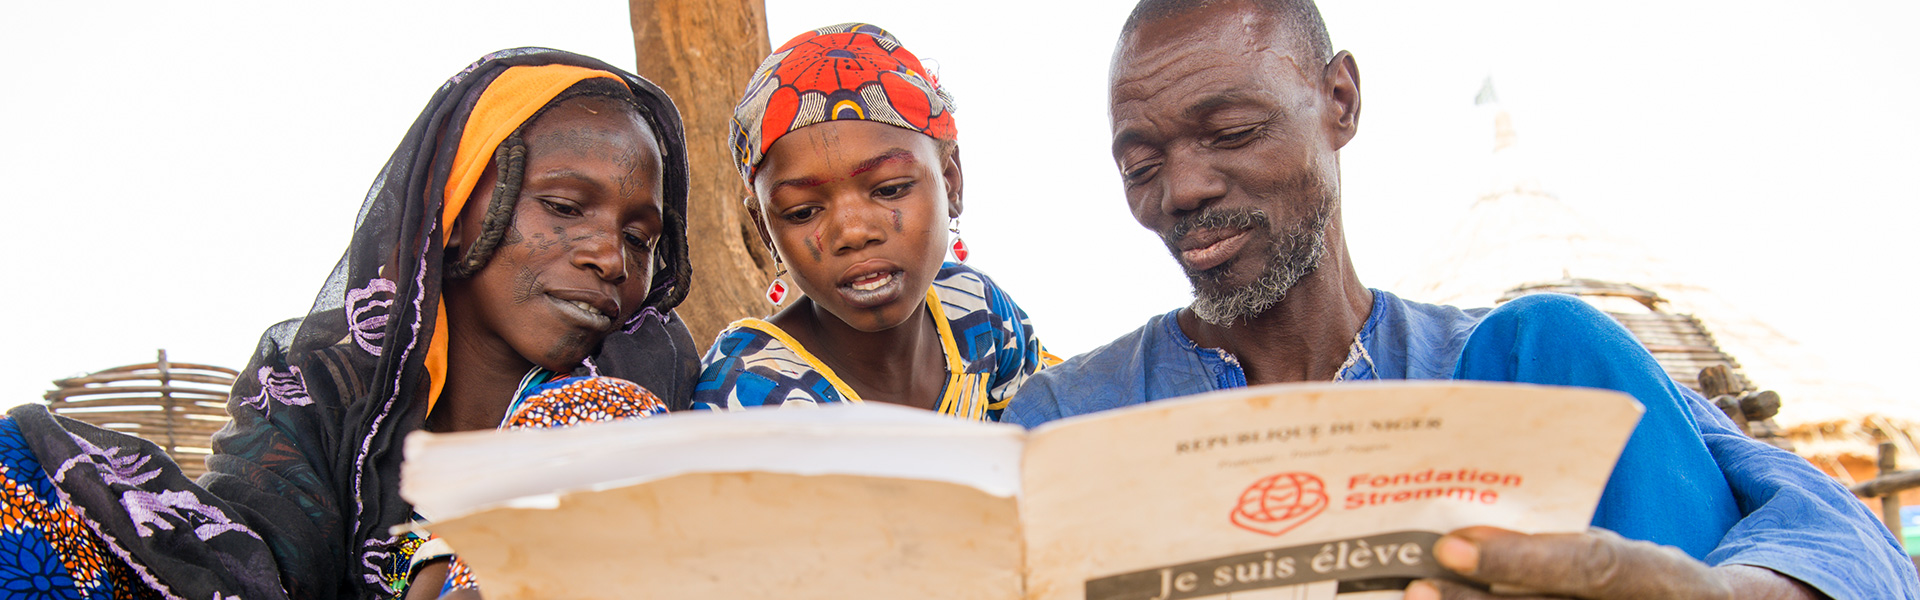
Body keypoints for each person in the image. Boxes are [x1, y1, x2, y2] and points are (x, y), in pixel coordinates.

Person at [1003, 1, 1917, 598]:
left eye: (1232, 132)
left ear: (1340, 101)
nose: (1184, 188)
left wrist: (1724, 591)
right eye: (1141, 164)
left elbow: (1847, 538)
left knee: (1558, 336)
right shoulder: (1071, 415)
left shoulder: (1516, 365)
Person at [0, 48, 698, 599]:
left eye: (640, 238)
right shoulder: (319, 391)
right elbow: (256, 559)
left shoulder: (634, 375)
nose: (610, 256)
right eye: (565, 206)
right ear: (454, 209)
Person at [692, 23, 1057, 420]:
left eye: (890, 189)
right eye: (803, 212)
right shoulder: (750, 391)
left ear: (950, 182)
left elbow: (1057, 439)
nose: (853, 232)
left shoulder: (977, 311)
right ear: (766, 230)